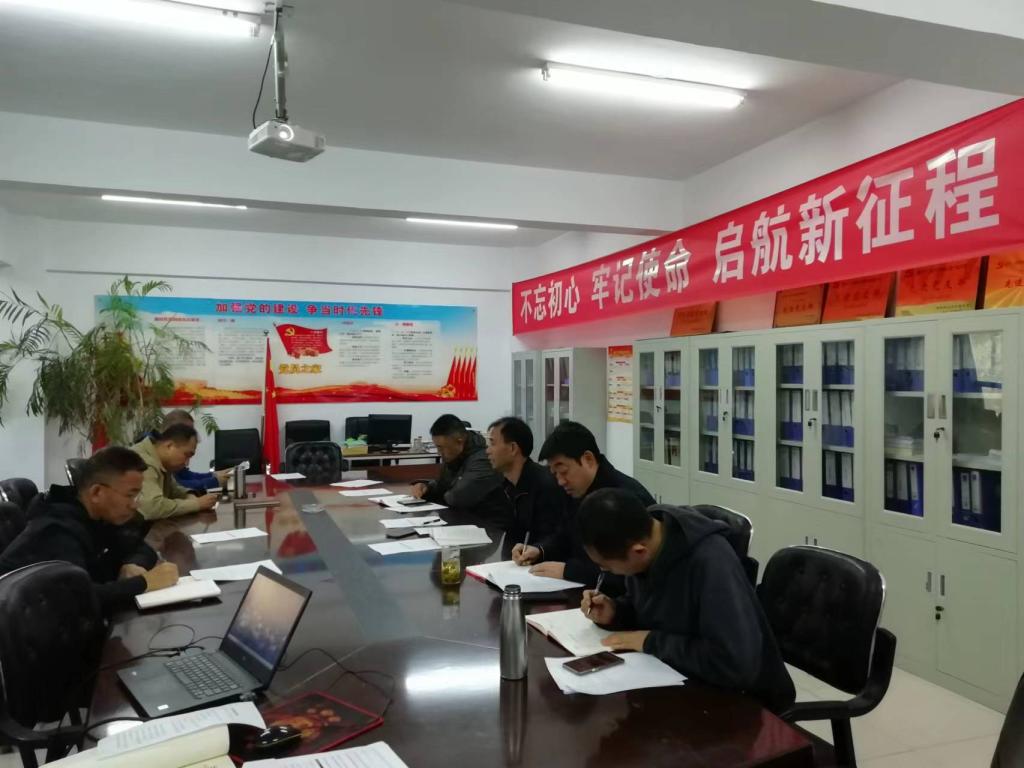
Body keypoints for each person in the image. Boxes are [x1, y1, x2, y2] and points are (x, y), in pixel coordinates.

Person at [578, 488, 795, 713]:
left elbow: (733, 664)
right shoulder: (648, 538)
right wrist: (616, 612)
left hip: (744, 704)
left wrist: (651, 641)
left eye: (607, 567)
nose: (606, 572)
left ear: (638, 551)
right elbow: (650, 610)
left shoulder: (711, 563)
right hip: (680, 679)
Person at [0, 447, 180, 612]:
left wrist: (133, 565)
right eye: (130, 495)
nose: (135, 504)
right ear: (96, 493)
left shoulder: (101, 515)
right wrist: (144, 583)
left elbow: (141, 548)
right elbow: (77, 599)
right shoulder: (56, 530)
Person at [512, 421, 654, 587]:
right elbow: (565, 535)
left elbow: (630, 572)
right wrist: (540, 550)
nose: (560, 481)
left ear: (588, 459)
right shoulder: (576, 490)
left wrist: (569, 571)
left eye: (563, 471)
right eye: (555, 474)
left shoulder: (624, 499)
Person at [411, 414, 511, 530]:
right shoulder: (454, 456)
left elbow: (457, 497)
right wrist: (427, 488)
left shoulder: (483, 460)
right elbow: (443, 484)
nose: (439, 452)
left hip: (489, 527)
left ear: (459, 441)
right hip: (464, 522)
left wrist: (440, 492)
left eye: (441, 447)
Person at [485, 416, 565, 558]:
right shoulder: (505, 485)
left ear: (513, 448)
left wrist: (538, 550)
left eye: (492, 443)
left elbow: (558, 537)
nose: (487, 451)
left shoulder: (545, 485)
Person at [132, 423, 219, 520]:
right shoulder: (143, 461)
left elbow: (174, 489)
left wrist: (189, 496)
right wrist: (196, 504)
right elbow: (152, 507)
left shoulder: (162, 460)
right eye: (186, 455)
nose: (187, 463)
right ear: (169, 446)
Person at [137, 409, 229, 493]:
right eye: (186, 431)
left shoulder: (168, 450)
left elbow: (185, 476)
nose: (191, 434)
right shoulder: (148, 455)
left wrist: (214, 475)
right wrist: (215, 481)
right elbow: (179, 484)